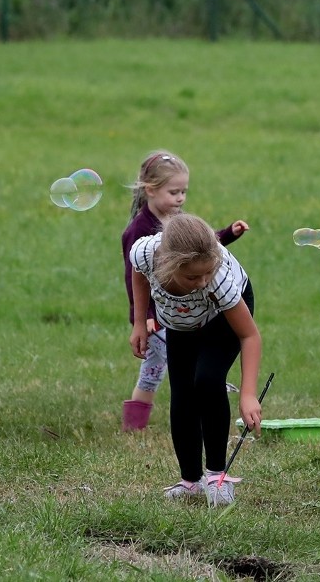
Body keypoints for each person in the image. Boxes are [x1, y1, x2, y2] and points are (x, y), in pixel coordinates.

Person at [129, 212, 262, 505]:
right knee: (183, 394)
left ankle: (217, 476)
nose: (201, 282)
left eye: (206, 273)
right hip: (180, 321)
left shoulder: (218, 280)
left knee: (207, 380)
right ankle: (189, 481)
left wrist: (249, 394)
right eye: (192, 276)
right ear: (167, 264)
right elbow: (137, 273)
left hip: (222, 318)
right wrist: (140, 321)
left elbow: (249, 336)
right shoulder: (146, 252)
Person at [121, 150, 249, 431]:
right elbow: (138, 275)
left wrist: (227, 234)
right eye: (173, 192)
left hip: (177, 308)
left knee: (156, 365)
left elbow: (198, 250)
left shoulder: (177, 224)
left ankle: (135, 420)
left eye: (183, 192)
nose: (180, 199)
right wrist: (142, 319)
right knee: (160, 363)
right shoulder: (139, 232)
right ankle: (136, 420)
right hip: (157, 314)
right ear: (150, 191)